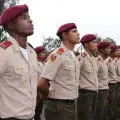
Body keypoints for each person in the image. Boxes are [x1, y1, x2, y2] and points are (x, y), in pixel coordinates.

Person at [0, 4, 41, 120]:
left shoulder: (32, 53)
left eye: (29, 17)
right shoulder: (3, 52)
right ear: (10, 25)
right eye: (24, 18)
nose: (30, 20)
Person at [38, 23, 80, 120]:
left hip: (71, 103)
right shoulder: (57, 54)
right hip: (59, 105)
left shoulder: (72, 55)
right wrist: (52, 97)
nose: (78, 34)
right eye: (74, 31)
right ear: (65, 35)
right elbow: (41, 84)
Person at [77, 34, 98, 120]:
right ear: (86, 44)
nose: (96, 44)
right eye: (93, 42)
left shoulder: (93, 59)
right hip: (85, 94)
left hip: (94, 93)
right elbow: (74, 75)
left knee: (91, 117)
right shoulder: (81, 58)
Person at [95, 41, 111, 120]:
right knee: (99, 113)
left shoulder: (104, 61)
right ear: (101, 50)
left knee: (104, 112)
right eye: (107, 48)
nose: (110, 50)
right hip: (100, 90)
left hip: (105, 89)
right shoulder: (98, 61)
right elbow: (94, 77)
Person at [106, 45, 118, 120]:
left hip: (115, 84)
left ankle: (114, 116)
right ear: (112, 52)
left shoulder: (114, 60)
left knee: (115, 102)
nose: (118, 51)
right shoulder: (108, 61)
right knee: (111, 102)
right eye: (116, 50)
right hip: (110, 84)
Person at [34, 46, 46, 120]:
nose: (44, 54)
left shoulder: (43, 64)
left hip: (41, 91)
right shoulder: (35, 64)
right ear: (37, 54)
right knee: (36, 112)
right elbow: (36, 80)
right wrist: (38, 94)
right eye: (42, 53)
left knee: (39, 110)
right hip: (36, 92)